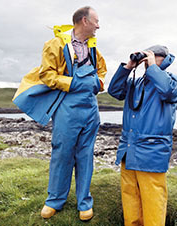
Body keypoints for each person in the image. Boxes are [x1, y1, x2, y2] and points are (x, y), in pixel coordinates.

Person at [12, 6, 107, 220]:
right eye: (96, 21)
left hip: (91, 109)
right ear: (84, 21)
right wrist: (73, 83)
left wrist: (97, 83)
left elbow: (102, 69)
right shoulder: (55, 44)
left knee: (86, 155)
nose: (98, 26)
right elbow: (47, 75)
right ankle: (55, 200)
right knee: (62, 153)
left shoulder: (93, 47)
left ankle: (84, 202)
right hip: (67, 107)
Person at [108, 45, 177, 226]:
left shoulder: (174, 80)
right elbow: (114, 91)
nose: (145, 61)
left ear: (163, 59)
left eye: (152, 57)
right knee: (130, 195)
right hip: (129, 148)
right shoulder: (136, 82)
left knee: (153, 199)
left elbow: (167, 91)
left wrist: (153, 68)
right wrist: (128, 67)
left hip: (151, 151)